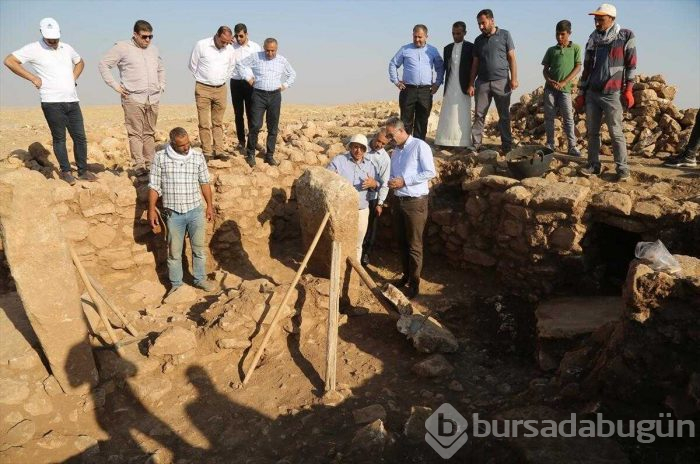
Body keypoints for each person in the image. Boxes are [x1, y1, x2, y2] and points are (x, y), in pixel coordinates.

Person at [4, 18, 97, 185]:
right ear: (42, 34)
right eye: (50, 39)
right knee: (59, 138)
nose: (53, 42)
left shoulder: (66, 47)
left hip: (72, 100)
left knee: (80, 137)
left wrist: (73, 78)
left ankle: (83, 171)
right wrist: (32, 77)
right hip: (52, 102)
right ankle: (66, 171)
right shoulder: (33, 48)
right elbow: (9, 61)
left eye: (56, 38)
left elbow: (80, 62)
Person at [574, 3, 637, 182]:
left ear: (612, 19)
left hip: (612, 93)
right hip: (593, 93)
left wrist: (629, 90)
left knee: (616, 132)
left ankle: (622, 169)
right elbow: (586, 68)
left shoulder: (625, 36)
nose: (597, 23)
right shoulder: (593, 38)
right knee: (592, 132)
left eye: (600, 19)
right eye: (595, 19)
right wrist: (581, 93)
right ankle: (593, 165)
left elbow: (631, 65)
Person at [148, 127, 215, 295]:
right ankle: (176, 285)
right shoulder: (161, 158)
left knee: (198, 249)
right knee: (174, 252)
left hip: (195, 211)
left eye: (188, 143)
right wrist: (151, 210)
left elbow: (204, 183)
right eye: (182, 145)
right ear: (172, 143)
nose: (186, 147)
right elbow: (154, 186)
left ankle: (200, 279)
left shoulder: (197, 157)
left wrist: (209, 205)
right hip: (173, 214)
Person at [99, 20, 165, 175]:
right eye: (144, 37)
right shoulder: (122, 48)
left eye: (150, 37)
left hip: (153, 98)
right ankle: (139, 166)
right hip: (133, 97)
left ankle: (151, 164)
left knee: (149, 132)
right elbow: (103, 65)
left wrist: (162, 85)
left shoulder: (154, 50)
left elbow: (161, 69)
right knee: (135, 133)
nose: (147, 40)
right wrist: (115, 86)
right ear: (135, 34)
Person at [384, 117, 436, 300]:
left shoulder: (419, 146)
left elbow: (430, 172)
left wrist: (405, 181)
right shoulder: (396, 152)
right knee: (401, 241)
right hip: (398, 200)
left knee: (414, 244)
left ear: (400, 130)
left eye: (391, 135)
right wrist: (392, 182)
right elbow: (394, 174)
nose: (389, 139)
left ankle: (414, 283)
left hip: (415, 202)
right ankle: (406, 275)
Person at [235, 37, 296, 167]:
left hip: (275, 95)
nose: (270, 53)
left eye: (273, 51)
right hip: (258, 94)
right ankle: (250, 153)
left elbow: (292, 74)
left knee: (273, 127)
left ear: (276, 49)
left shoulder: (282, 60)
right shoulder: (256, 57)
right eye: (267, 50)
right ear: (264, 48)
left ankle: (269, 155)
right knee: (255, 125)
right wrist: (248, 78)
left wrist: (284, 85)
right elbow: (240, 64)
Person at [467, 9, 518, 153]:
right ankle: (476, 145)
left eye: (483, 23)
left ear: (492, 20)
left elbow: (512, 58)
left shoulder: (505, 35)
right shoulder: (478, 40)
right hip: (482, 83)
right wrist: (471, 83)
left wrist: (514, 78)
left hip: (502, 81)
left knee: (504, 115)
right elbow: (475, 64)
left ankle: (507, 146)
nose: (481, 26)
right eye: (479, 24)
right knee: (479, 114)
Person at [327, 134, 381, 263]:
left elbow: (378, 184)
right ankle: (338, 270)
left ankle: (353, 275)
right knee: (339, 241)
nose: (358, 151)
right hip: (342, 210)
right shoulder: (339, 161)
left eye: (362, 148)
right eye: (355, 147)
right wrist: (334, 178)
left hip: (361, 210)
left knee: (358, 242)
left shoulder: (370, 165)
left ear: (365, 150)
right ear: (350, 147)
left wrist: (373, 184)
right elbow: (327, 178)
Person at [388, 24, 444, 141]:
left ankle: (419, 145)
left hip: (425, 91)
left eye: (420, 37)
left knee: (422, 120)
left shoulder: (432, 51)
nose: (417, 39)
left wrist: (437, 83)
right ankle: (405, 144)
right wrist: (396, 81)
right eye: (415, 37)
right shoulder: (405, 49)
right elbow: (393, 64)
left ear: (426, 36)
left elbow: (440, 67)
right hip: (408, 90)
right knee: (406, 120)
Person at [189, 26, 235, 158]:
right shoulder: (201, 45)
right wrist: (204, 79)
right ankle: (207, 151)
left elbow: (231, 67)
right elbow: (192, 65)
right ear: (217, 35)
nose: (225, 44)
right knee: (204, 122)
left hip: (221, 89)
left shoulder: (230, 49)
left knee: (218, 122)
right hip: (203, 88)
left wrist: (220, 79)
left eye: (227, 42)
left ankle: (219, 150)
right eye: (223, 41)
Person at [541, 20, 582, 156]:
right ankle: (550, 144)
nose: (560, 37)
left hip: (565, 90)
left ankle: (572, 146)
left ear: (569, 33)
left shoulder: (575, 48)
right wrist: (549, 80)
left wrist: (564, 82)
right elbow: (545, 70)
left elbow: (578, 67)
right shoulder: (551, 50)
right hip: (550, 89)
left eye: (563, 34)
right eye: (557, 34)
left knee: (568, 118)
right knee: (549, 118)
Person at [435, 21, 474, 148]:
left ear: (465, 33)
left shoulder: (471, 47)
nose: (455, 36)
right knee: (447, 113)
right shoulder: (447, 48)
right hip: (450, 85)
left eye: (458, 33)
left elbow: (475, 67)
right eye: (453, 33)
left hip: (464, 87)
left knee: (462, 113)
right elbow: (445, 68)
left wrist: (471, 84)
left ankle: (463, 142)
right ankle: (444, 141)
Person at [230, 24, 262, 152]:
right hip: (236, 82)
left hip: (250, 83)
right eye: (236, 36)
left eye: (241, 36)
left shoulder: (255, 47)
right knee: (238, 114)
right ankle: (241, 142)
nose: (238, 38)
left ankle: (253, 141)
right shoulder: (231, 46)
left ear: (247, 34)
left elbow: (259, 64)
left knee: (252, 113)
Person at [362, 129, 391, 266]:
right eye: (378, 141)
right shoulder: (361, 147)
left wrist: (380, 203)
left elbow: (385, 183)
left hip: (372, 196)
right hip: (356, 194)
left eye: (383, 144)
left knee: (371, 226)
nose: (379, 145)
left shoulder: (385, 158)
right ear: (374, 136)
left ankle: (365, 254)